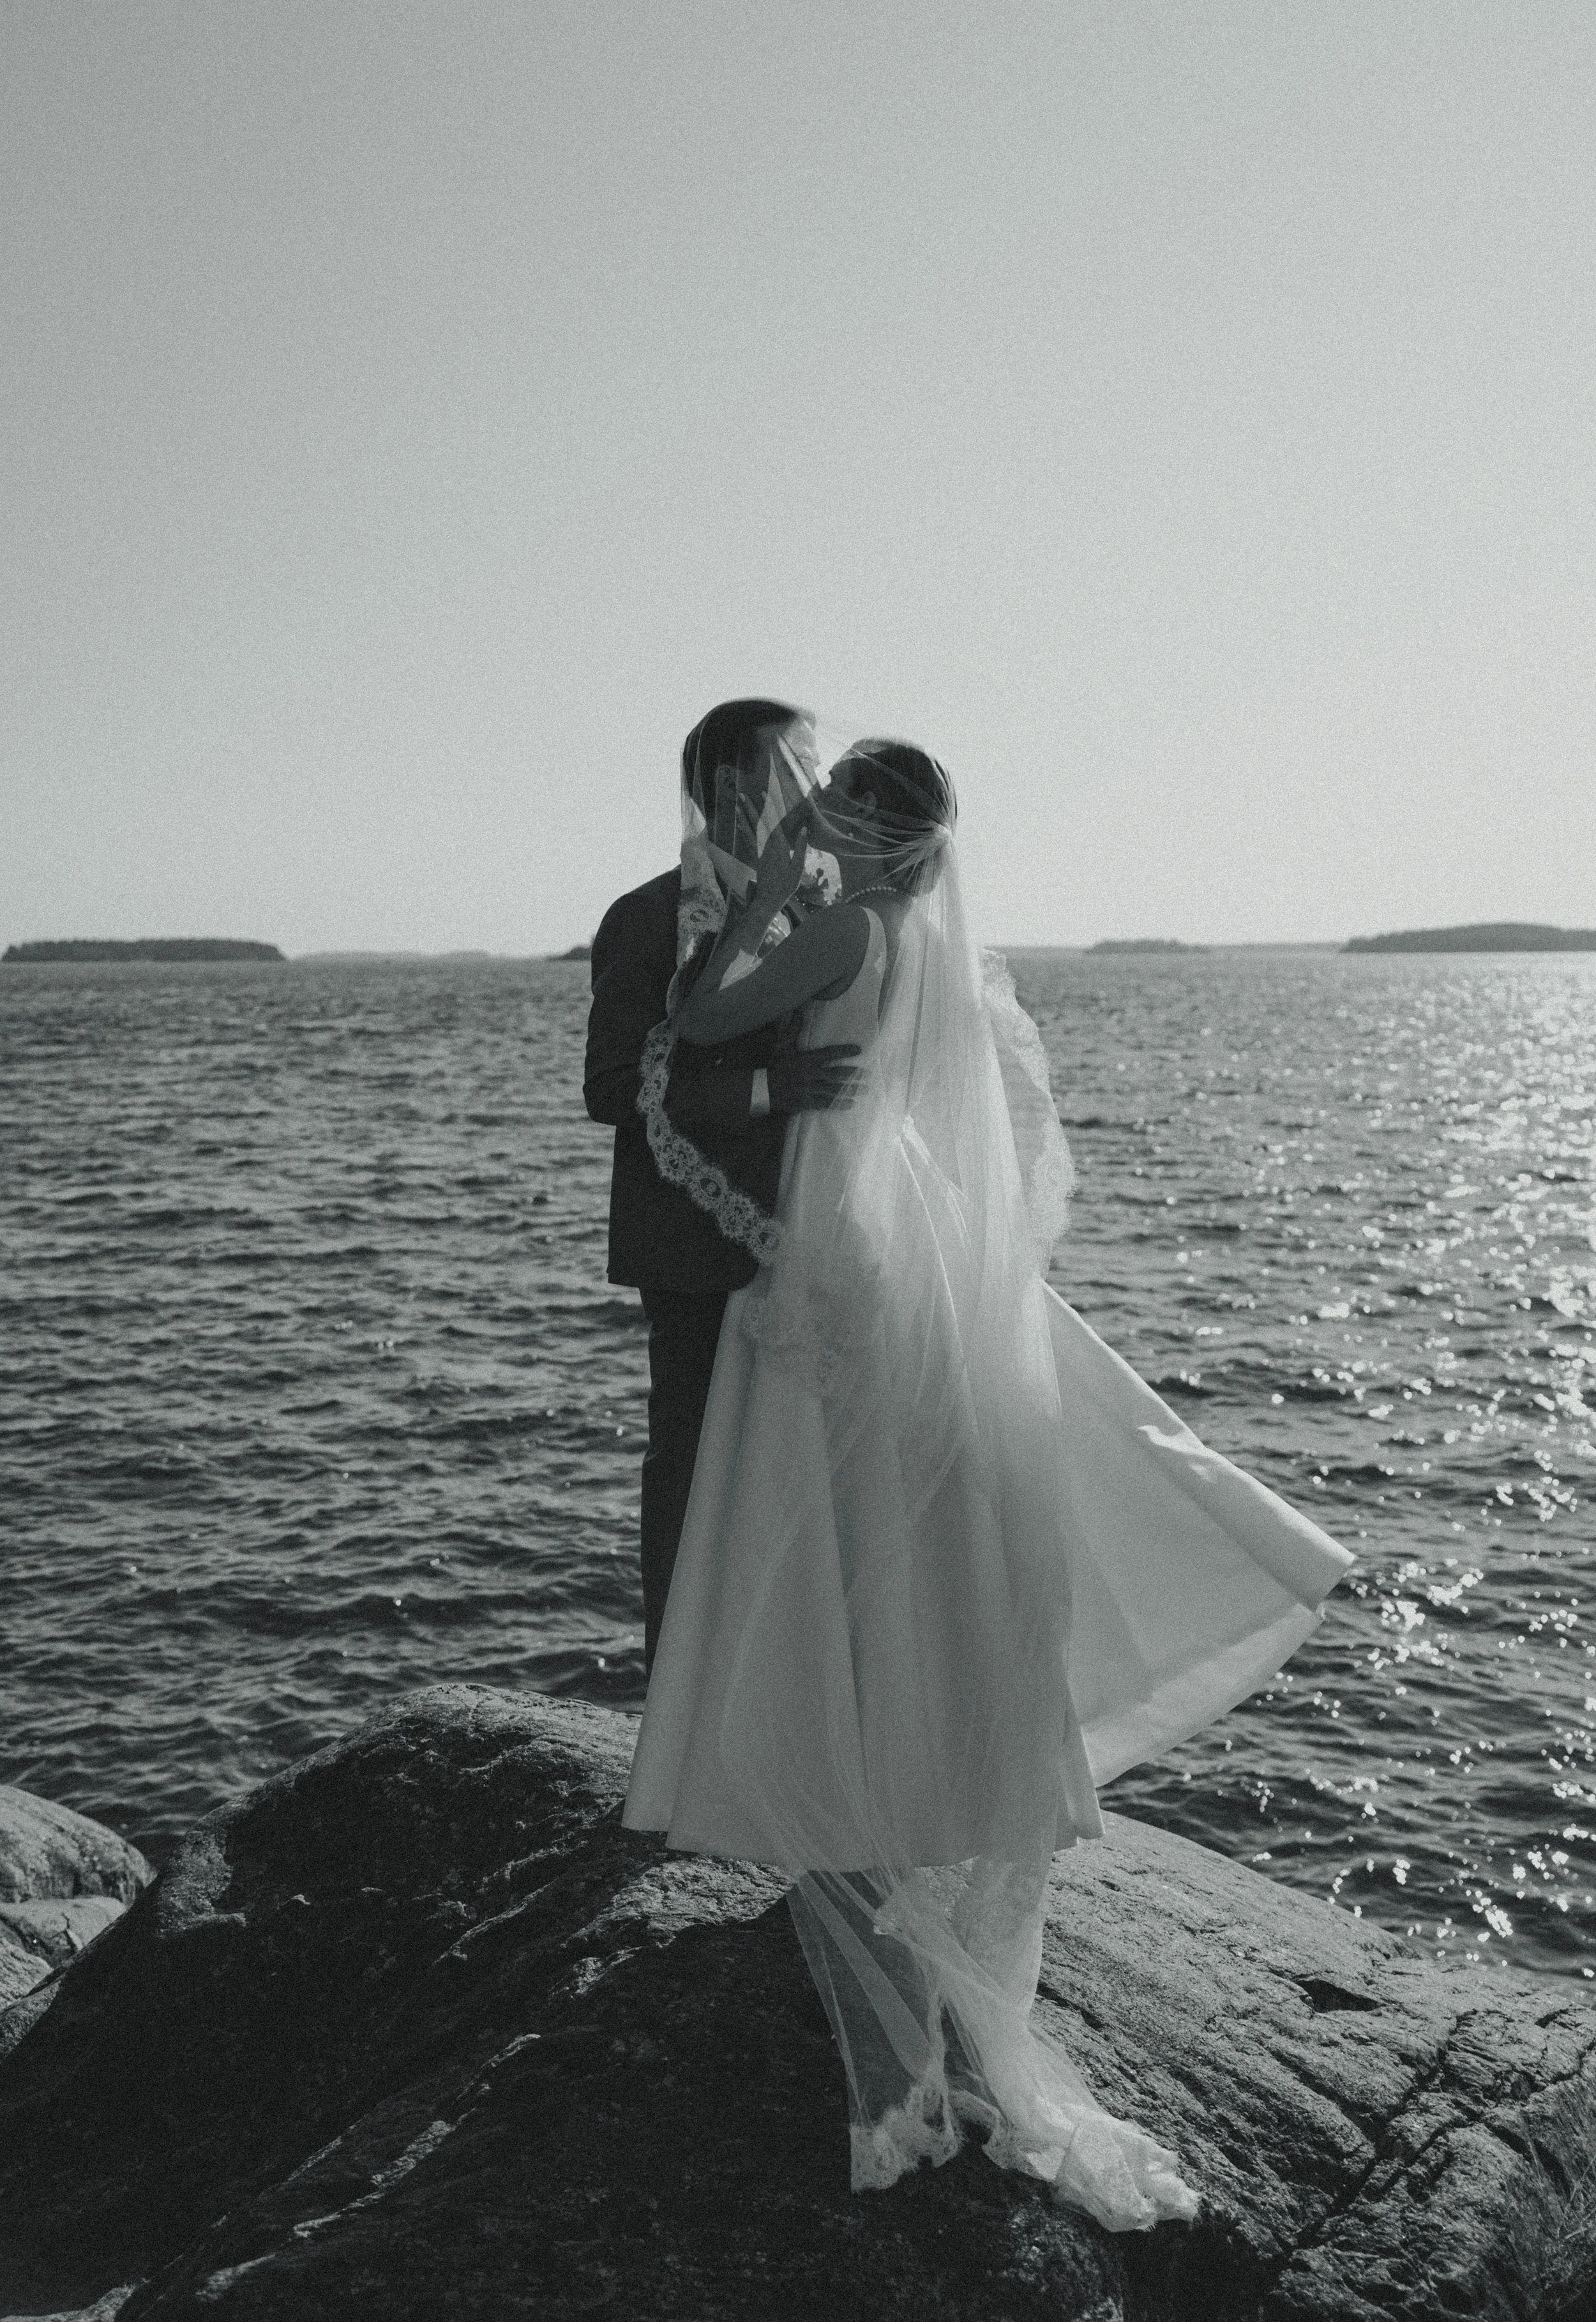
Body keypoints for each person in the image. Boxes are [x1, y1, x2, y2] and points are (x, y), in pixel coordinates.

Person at [621, 734, 1356, 2231]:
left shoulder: (834, 922)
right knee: (903, 1524)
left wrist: (767, 881)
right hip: (900, 1233)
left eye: (831, 806)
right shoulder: (924, 947)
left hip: (837, 1254)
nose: (806, 814)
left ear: (871, 838)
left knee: (823, 1530)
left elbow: (703, 1016)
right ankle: (913, 1776)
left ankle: (860, 1784)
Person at [583, 699, 861, 1673]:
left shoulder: (813, 911)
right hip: (696, 1242)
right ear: (741, 782)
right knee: (694, 1468)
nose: (820, 784)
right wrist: (761, 1087)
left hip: (805, 1232)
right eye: (803, 763)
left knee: (795, 1474)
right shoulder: (651, 916)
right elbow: (612, 1086)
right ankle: (678, 1695)